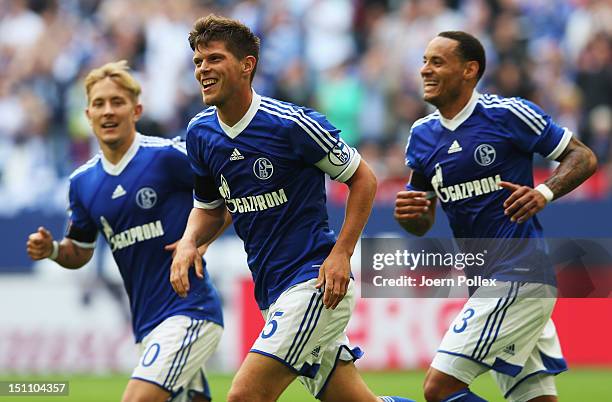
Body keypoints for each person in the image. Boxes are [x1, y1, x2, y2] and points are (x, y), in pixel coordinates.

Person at [170, 14, 414, 402]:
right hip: (272, 291)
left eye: (214, 59)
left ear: (246, 65)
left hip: (315, 283)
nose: (203, 69)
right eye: (198, 61)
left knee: (245, 395)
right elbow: (210, 207)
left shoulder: (290, 125)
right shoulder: (201, 133)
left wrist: (341, 254)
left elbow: (363, 178)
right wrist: (188, 242)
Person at [394, 31, 598, 402]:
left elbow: (582, 156)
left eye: (437, 62)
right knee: (535, 399)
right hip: (485, 281)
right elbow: (421, 219)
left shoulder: (506, 114)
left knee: (439, 387)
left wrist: (543, 192)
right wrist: (410, 215)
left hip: (520, 275)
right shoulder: (421, 135)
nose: (425, 70)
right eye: (424, 61)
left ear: (469, 70)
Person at [26, 61, 226, 402]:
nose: (108, 111)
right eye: (99, 104)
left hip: (190, 311)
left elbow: (227, 192)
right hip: (146, 324)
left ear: (136, 110)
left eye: (117, 102)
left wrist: (196, 240)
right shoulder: (82, 183)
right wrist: (54, 251)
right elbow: (80, 250)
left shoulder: (165, 156)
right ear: (87, 114)